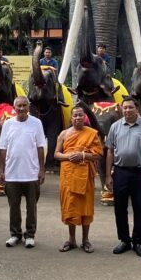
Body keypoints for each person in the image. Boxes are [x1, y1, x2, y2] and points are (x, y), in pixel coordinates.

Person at [105, 98, 141, 257]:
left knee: (140, 208)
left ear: (137, 109)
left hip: (140, 173)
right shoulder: (115, 127)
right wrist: (108, 174)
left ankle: (138, 242)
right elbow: (109, 151)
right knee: (120, 208)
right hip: (120, 172)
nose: (127, 110)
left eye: (130, 107)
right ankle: (124, 240)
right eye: (125, 108)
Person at [0, 97, 47, 248]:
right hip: (12, 173)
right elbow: (3, 149)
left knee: (31, 206)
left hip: (31, 173)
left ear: (29, 107)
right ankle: (15, 234)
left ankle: (30, 235)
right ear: (14, 107)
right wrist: (1, 170)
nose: (21, 108)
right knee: (14, 206)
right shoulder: (8, 124)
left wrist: (41, 169)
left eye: (24, 105)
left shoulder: (36, 123)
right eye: (19, 106)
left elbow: (40, 147)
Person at [54, 106, 103, 253]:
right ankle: (71, 239)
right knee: (70, 206)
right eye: (75, 115)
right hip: (68, 176)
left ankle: (85, 240)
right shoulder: (64, 134)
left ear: (84, 117)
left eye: (80, 115)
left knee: (85, 207)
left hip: (85, 175)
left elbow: (98, 155)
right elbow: (56, 154)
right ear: (71, 118)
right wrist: (69, 156)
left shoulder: (92, 134)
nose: (77, 118)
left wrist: (82, 155)